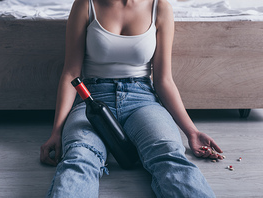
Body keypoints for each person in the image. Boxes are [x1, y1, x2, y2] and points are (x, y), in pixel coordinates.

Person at [40, 0, 224, 197]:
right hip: (91, 100)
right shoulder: (86, 4)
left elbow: (164, 81)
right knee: (79, 157)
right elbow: (70, 74)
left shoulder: (159, 7)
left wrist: (192, 132)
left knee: (169, 155)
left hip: (142, 99)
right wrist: (56, 132)